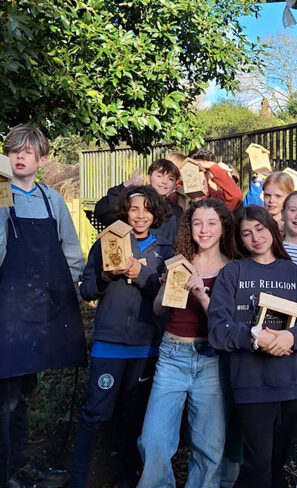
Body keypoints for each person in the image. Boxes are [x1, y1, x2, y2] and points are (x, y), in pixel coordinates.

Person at [208, 206, 297, 488]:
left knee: (288, 466)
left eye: (260, 228)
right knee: (257, 466)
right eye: (246, 233)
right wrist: (254, 337)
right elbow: (218, 330)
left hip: (292, 384)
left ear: (272, 228)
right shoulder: (232, 273)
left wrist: (290, 338)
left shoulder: (292, 272)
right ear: (238, 239)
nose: (255, 237)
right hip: (252, 385)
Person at [0, 125, 86, 488]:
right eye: (13, 151)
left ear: (41, 158)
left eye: (27, 152)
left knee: (24, 393)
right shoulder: (1, 195)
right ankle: (5, 474)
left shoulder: (52, 200)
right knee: (4, 397)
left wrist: (64, 297)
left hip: (39, 314)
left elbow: (70, 253)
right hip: (6, 313)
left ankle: (21, 465)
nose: (19, 157)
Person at [71, 186, 174, 488]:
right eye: (134, 209)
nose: (140, 215)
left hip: (145, 347)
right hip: (109, 344)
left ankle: (127, 479)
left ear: (155, 212)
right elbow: (86, 288)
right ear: (125, 212)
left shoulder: (165, 250)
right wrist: (105, 276)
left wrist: (139, 275)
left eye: (146, 209)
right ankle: (79, 478)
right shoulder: (108, 243)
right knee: (95, 413)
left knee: (133, 418)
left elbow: (168, 296)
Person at [137, 198, 237, 488]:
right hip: (172, 356)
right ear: (189, 227)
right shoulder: (180, 263)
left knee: (209, 448)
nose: (203, 230)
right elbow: (158, 309)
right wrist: (168, 285)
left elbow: (226, 327)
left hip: (211, 361)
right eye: (197, 223)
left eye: (211, 223)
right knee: (153, 440)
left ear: (223, 227)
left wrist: (201, 293)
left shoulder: (233, 270)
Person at [93, 158, 181, 243]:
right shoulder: (133, 202)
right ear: (148, 178)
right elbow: (102, 212)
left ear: (175, 184)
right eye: (159, 176)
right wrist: (127, 185)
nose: (164, 182)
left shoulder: (177, 211)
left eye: (170, 179)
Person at [188, 148, 243, 213]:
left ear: (210, 174)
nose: (200, 175)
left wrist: (212, 166)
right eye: (195, 171)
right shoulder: (179, 194)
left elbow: (235, 196)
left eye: (204, 171)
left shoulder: (215, 197)